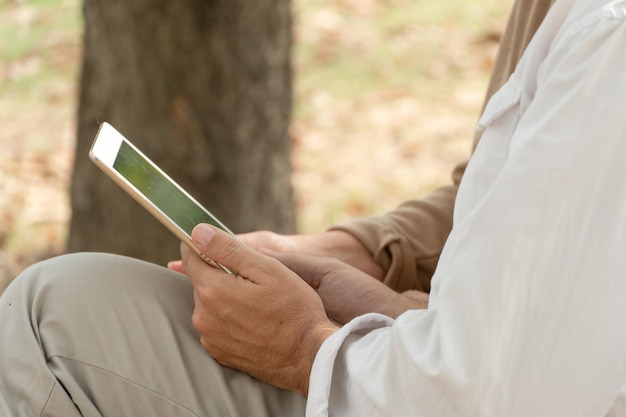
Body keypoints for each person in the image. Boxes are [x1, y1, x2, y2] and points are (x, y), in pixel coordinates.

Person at [3, 0, 626, 416]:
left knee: (53, 322)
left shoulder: (606, 39)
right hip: (433, 353)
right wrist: (364, 262)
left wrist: (309, 347)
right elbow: (515, 196)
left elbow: (505, 395)